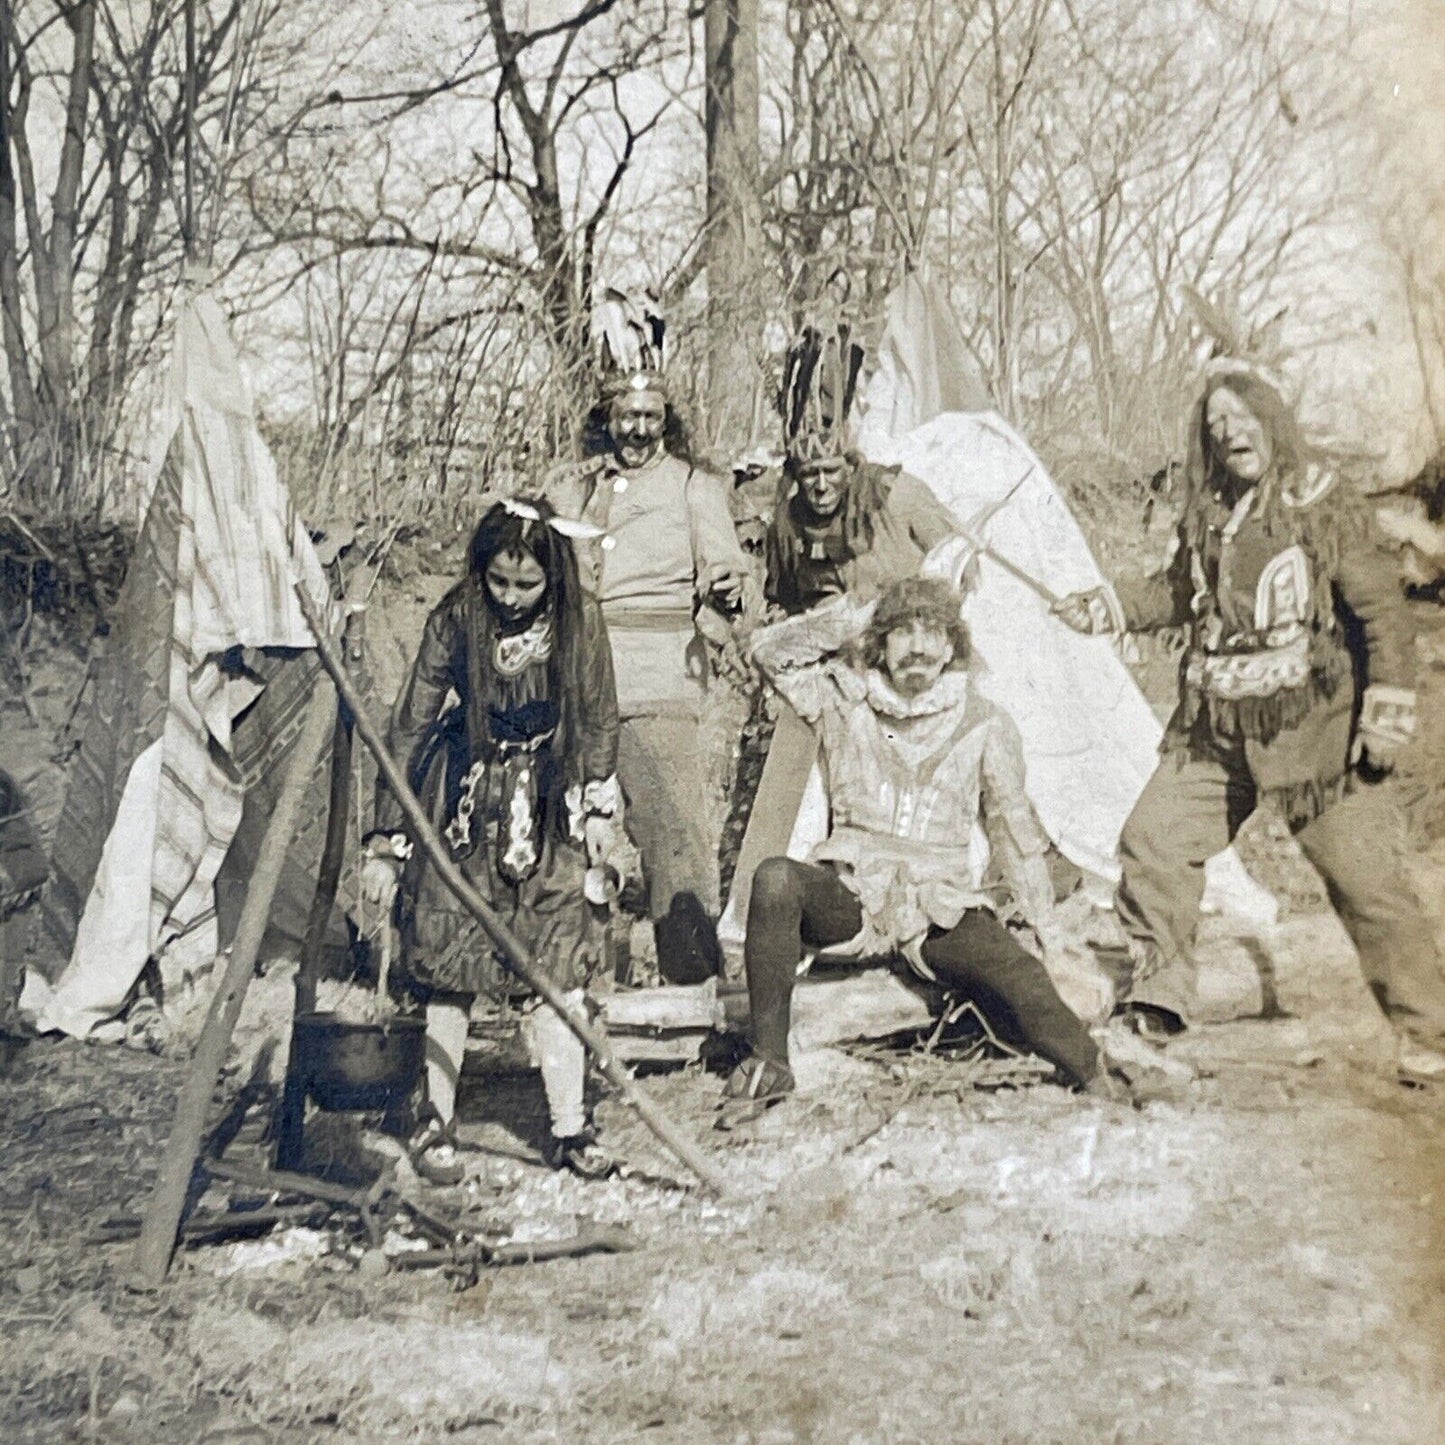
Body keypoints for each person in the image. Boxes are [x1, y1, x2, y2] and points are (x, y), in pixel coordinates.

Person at [1054, 365, 1445, 1074]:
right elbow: (1178, 592)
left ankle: (1428, 1034)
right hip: (1214, 733)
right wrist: (1104, 606)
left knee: (1367, 886)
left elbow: (1383, 613)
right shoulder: (1208, 512)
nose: (1229, 432)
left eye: (1241, 418)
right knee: (1153, 838)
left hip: (1316, 738)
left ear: (1273, 420)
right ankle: (1157, 1002)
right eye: (1215, 425)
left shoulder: (1319, 501)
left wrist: (1384, 714)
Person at [720, 576, 1127, 1122]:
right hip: (854, 896)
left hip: (939, 906)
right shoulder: (845, 700)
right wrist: (849, 617)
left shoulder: (985, 723)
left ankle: (1095, 1073)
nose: (917, 647)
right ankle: (770, 1063)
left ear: (953, 646)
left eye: (932, 633)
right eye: (901, 632)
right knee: (775, 879)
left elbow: (1015, 837)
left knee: (1015, 971)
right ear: (878, 643)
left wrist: (1047, 932)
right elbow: (768, 654)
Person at [361, 496, 625, 1183]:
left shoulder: (580, 617)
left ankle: (569, 1127)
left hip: (550, 798)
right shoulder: (456, 616)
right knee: (452, 964)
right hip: (468, 799)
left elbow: (598, 713)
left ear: (552, 576)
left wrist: (598, 805)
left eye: (524, 584)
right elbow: (409, 726)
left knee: (557, 958)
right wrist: (387, 837)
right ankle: (434, 1119)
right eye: (498, 581)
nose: (509, 596)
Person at [547, 290, 753, 984]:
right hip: (580, 678)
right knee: (577, 834)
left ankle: (692, 977)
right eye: (625, 416)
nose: (637, 429)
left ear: (667, 421)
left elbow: (723, 560)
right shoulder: (573, 487)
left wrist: (724, 587)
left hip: (661, 680)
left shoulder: (693, 485)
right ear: (604, 418)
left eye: (650, 417)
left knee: (674, 832)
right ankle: (573, 978)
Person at [765, 323, 965, 614]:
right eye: (810, 474)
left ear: (848, 465)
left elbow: (956, 557)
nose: (821, 486)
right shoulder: (787, 523)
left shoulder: (893, 495)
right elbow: (781, 600)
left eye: (831, 471)